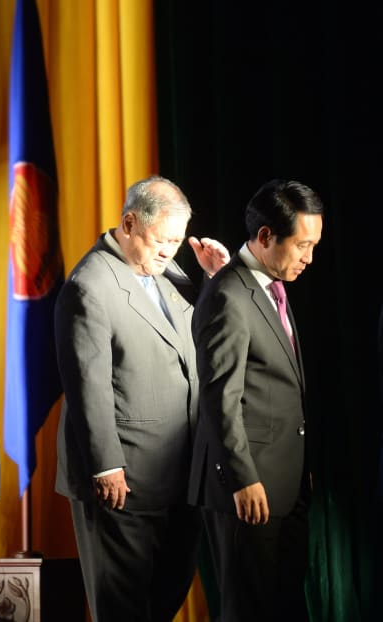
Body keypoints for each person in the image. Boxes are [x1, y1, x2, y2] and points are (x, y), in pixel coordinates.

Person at [54, 175, 229, 622]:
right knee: (124, 606)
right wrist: (106, 466)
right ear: (129, 223)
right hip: (124, 478)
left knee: (166, 595)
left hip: (178, 470)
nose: (169, 252)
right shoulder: (90, 285)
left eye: (176, 240)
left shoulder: (168, 271)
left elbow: (191, 340)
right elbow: (86, 385)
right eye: (160, 240)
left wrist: (214, 279)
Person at [189, 179, 324, 621]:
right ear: (266, 237)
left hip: (284, 485)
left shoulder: (268, 286)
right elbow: (219, 397)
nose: (309, 257)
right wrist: (243, 479)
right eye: (302, 245)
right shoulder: (230, 294)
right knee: (249, 609)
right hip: (250, 490)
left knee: (283, 605)